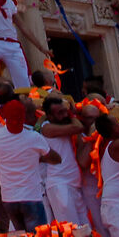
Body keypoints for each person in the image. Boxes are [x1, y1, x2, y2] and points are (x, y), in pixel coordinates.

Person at [0, 96, 61, 230]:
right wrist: (36, 157)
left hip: (9, 199)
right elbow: (56, 159)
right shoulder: (34, 138)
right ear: (23, 117)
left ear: (5, 117)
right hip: (32, 198)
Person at [37, 93, 91, 228]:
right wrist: (72, 115)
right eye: (60, 113)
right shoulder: (47, 127)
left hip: (74, 184)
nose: (64, 115)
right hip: (59, 185)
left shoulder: (63, 124)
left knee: (86, 229)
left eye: (64, 111)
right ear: (49, 116)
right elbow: (78, 127)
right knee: (72, 230)